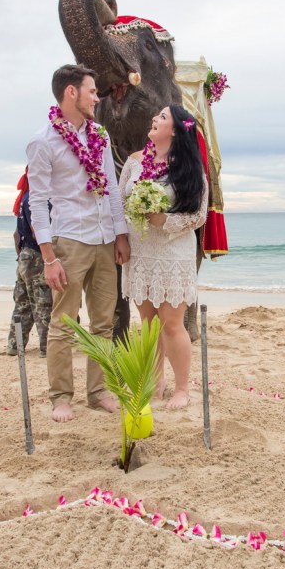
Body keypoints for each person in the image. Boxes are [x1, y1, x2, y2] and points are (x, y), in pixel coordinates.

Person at [27, 64, 130, 423]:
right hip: (69, 239)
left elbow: (113, 190)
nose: (97, 98)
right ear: (71, 93)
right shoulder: (43, 141)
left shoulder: (100, 134)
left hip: (104, 240)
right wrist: (49, 257)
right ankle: (61, 397)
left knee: (104, 323)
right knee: (64, 323)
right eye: (92, 91)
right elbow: (37, 201)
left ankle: (98, 391)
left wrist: (120, 235)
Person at [119, 104, 208, 409]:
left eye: (162, 117)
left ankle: (182, 388)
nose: (154, 119)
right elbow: (120, 203)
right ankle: (155, 383)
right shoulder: (133, 163)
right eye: (156, 115)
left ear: (176, 129)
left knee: (171, 322)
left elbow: (198, 216)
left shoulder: (187, 166)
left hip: (173, 252)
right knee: (147, 323)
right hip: (140, 252)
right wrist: (121, 240)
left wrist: (164, 220)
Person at [6, 167, 51, 358]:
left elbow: (17, 234)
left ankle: (15, 345)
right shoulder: (40, 200)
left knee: (22, 302)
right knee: (43, 304)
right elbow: (37, 230)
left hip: (25, 255)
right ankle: (46, 348)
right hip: (37, 255)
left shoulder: (24, 197)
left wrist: (21, 258)